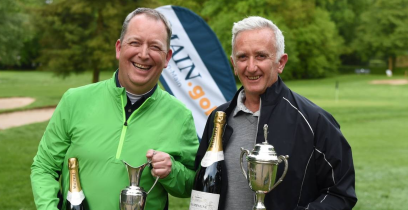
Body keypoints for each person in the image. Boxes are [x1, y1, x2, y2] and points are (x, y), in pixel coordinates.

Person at [31, 8, 199, 210]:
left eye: (155, 47)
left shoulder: (180, 116)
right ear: (119, 48)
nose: (143, 54)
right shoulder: (74, 101)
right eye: (135, 43)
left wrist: (172, 172)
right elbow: (44, 167)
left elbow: (193, 184)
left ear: (167, 58)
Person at [195, 16, 357, 210]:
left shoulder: (316, 122)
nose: (251, 66)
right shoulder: (219, 118)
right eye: (242, 57)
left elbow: (340, 194)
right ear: (234, 64)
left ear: (281, 62)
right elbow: (203, 182)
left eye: (261, 56)